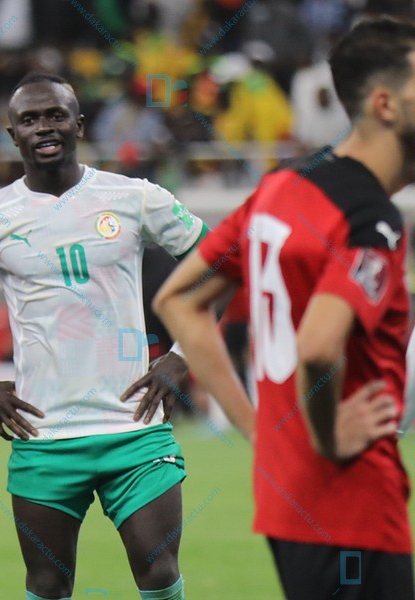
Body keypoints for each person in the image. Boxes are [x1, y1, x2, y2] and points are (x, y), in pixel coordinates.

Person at [0, 73, 253, 600]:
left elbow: (224, 267)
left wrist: (182, 359)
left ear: (79, 124)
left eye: (55, 115)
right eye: (29, 119)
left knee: (159, 572)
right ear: (12, 134)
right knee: (48, 583)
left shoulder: (135, 197)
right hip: (43, 436)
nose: (44, 127)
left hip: (133, 429)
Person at [153, 17, 415, 600]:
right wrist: (325, 438)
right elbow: (319, 347)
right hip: (353, 503)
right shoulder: (370, 219)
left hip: (286, 500)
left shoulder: (282, 186)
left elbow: (177, 301)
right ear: (385, 104)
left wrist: (262, 435)